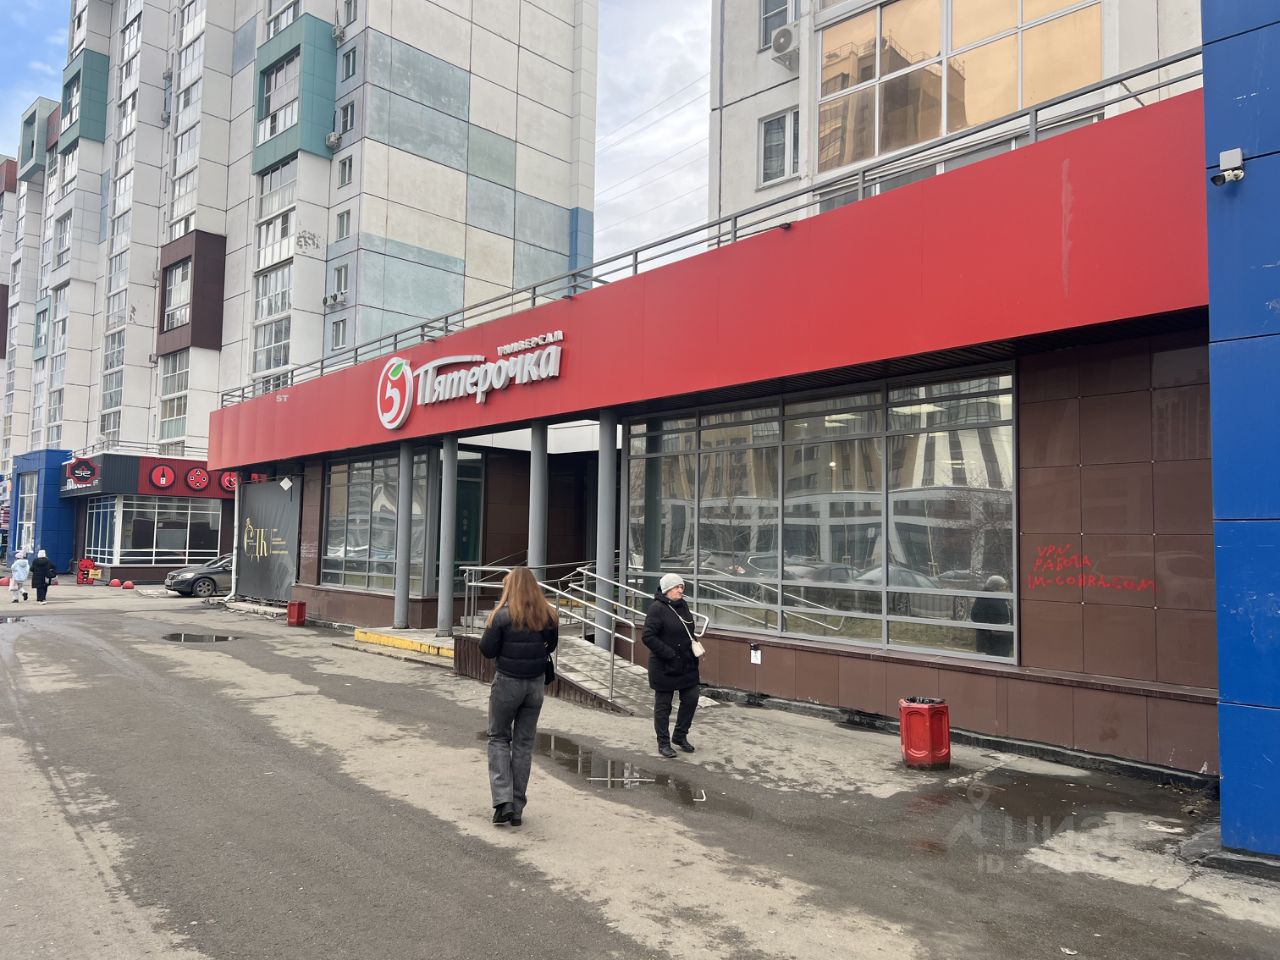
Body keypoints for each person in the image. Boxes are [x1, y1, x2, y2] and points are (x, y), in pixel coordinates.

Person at [479, 566, 558, 827]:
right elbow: (551, 646)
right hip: (535, 686)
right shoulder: (548, 615)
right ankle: (517, 808)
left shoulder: (501, 616)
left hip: (507, 683)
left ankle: (503, 802)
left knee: (499, 738)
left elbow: (487, 650)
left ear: (510, 588)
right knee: (524, 744)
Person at [643, 572, 702, 759]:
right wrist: (669, 653)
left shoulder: (682, 605)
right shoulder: (657, 608)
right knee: (664, 706)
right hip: (664, 665)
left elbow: (686, 629)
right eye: (677, 587)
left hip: (686, 663)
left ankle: (680, 735)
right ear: (667, 590)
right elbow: (648, 636)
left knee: (691, 698)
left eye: (682, 587)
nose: (680, 590)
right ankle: (663, 743)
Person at [971, 575, 1013, 658]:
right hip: (989, 640)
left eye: (1004, 587)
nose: (1004, 589)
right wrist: (990, 630)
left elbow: (1010, 614)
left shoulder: (1003, 599)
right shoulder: (984, 599)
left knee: (1003, 659)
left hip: (1003, 638)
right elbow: (976, 617)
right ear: (995, 588)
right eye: (1002, 587)